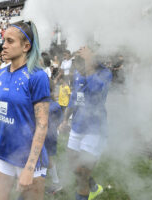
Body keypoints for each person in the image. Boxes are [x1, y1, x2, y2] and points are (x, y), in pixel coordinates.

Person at [0, 21, 50, 200]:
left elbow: (43, 124)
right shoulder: (0, 74)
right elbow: (1, 115)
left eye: (10, 41)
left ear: (26, 46)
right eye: (3, 40)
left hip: (29, 159)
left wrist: (29, 168)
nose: (3, 46)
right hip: (1, 153)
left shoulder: (37, 76)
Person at [60, 46, 112, 200]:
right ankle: (94, 187)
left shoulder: (105, 73)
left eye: (82, 63)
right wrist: (64, 120)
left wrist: (89, 65)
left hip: (95, 130)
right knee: (73, 165)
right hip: (77, 125)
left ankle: (86, 191)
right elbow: (74, 99)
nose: (78, 68)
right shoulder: (78, 73)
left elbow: (96, 89)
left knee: (82, 173)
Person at [44, 81, 63, 194]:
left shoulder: (54, 106)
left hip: (49, 137)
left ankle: (56, 183)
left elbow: (58, 122)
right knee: (44, 159)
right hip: (44, 135)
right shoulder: (42, 103)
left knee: (47, 159)